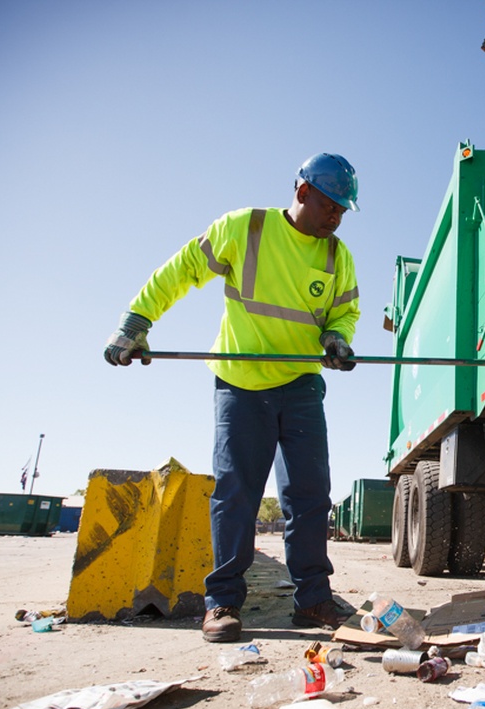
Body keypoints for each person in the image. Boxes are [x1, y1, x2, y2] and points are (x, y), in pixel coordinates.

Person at [104, 153, 361, 643]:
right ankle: (222, 601)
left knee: (309, 496)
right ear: (303, 192)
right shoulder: (246, 228)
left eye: (343, 211)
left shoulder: (337, 255)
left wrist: (336, 339)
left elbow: (344, 313)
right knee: (236, 494)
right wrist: (136, 324)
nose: (336, 217)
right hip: (240, 384)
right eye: (330, 205)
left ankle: (313, 599)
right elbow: (180, 270)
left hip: (301, 384)